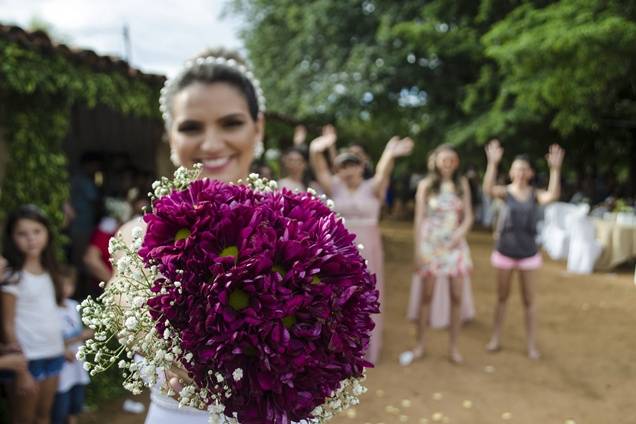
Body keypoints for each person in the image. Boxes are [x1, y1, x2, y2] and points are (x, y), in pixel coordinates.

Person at [114, 48, 265, 424]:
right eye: (192, 127)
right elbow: (126, 324)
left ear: (257, 129)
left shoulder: (305, 232)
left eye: (230, 123)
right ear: (170, 136)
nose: (211, 144)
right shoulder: (135, 239)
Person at [309, 125, 413, 364]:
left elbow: (384, 172)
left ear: (361, 167)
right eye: (342, 167)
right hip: (338, 248)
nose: (346, 171)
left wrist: (389, 153)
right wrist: (318, 148)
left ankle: (367, 346)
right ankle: (336, 347)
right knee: (337, 294)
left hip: (370, 247)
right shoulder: (333, 187)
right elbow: (319, 165)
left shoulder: (372, 188)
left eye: (351, 165)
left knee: (368, 293)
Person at [482, 139, 565, 359]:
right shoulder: (505, 193)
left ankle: (531, 344)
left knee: (529, 301)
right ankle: (496, 338)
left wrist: (555, 169)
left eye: (524, 169)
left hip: (528, 253)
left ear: (529, 173)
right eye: (517, 169)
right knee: (501, 298)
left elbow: (553, 195)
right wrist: (492, 163)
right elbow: (487, 188)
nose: (520, 172)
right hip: (505, 252)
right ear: (511, 172)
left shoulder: (535, 194)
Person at [400, 145, 474, 365]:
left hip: (455, 246)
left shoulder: (462, 184)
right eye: (444, 160)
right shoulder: (426, 185)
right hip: (430, 246)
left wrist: (458, 235)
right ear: (435, 161)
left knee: (457, 296)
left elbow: (469, 216)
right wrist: (417, 250)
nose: (448, 163)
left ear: (456, 162)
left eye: (451, 159)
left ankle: (453, 347)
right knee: (427, 296)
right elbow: (418, 218)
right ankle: (420, 344)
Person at [1, 205, 66, 424]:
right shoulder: (12, 276)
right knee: (23, 419)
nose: (31, 239)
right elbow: (7, 325)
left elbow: (50, 315)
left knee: (43, 417)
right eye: (22, 233)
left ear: (47, 233)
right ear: (12, 238)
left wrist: (62, 346)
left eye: (37, 231)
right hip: (27, 360)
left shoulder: (51, 271)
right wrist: (21, 370)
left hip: (53, 354)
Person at [51, 267, 92, 424]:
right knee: (60, 408)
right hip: (61, 369)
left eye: (69, 285)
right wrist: (79, 336)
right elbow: (49, 340)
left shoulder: (73, 305)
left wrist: (85, 334)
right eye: (61, 285)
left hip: (77, 366)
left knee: (75, 404)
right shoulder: (50, 310)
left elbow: (78, 331)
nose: (66, 289)